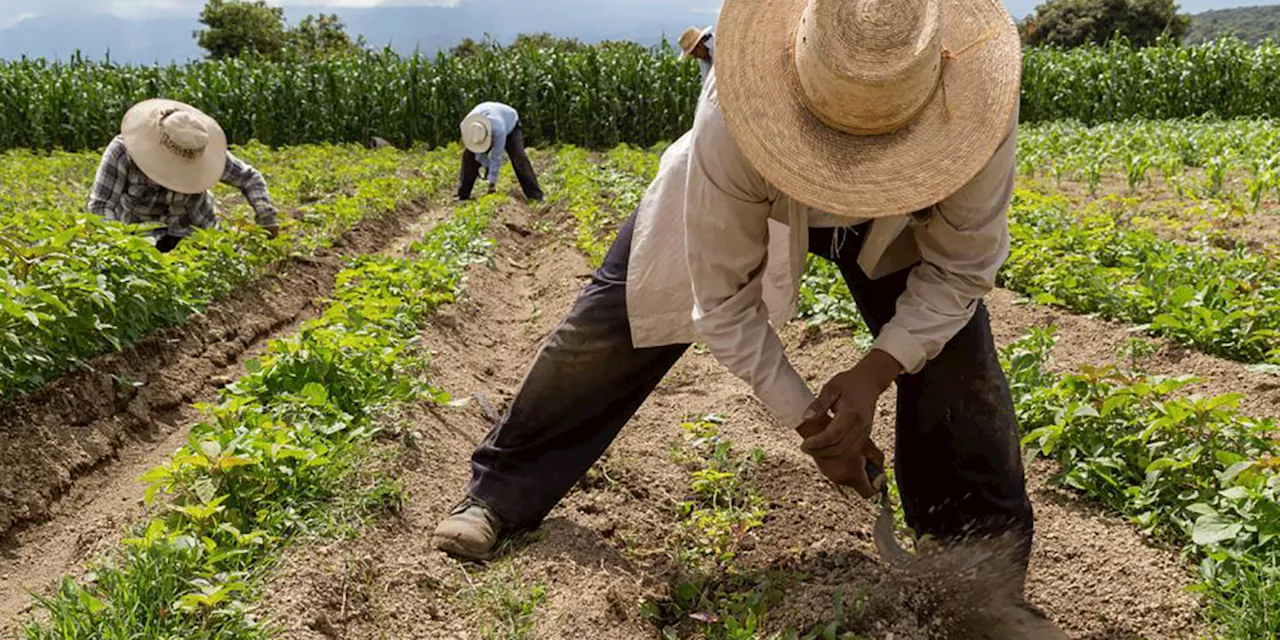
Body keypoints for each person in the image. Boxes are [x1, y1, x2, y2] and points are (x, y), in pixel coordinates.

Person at [436, 0, 1043, 617]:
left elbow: (961, 268)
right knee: (613, 325)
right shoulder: (736, 112)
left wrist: (874, 372)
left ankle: (977, 576)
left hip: (900, 219)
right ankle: (499, 493)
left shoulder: (977, 99)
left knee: (956, 361)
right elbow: (720, 301)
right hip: (758, 182)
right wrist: (811, 423)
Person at [88, 99, 280, 253]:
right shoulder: (123, 152)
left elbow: (249, 178)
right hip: (141, 240)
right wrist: (117, 247)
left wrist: (266, 217)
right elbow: (102, 205)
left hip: (197, 234)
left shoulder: (199, 148)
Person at [457, 102, 544, 203]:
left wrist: (492, 181)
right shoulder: (467, 126)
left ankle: (536, 196)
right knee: (468, 156)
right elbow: (477, 153)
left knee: (519, 157)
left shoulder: (499, 129)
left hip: (510, 123)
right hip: (488, 118)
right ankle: (463, 195)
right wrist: (486, 165)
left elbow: (496, 156)